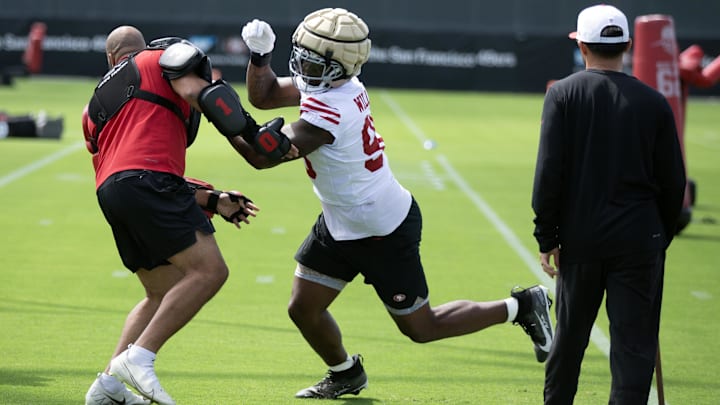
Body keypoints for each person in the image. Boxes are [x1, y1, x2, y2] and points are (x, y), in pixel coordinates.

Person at [234, 8, 555, 399]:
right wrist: (260, 56)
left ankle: (521, 306)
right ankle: (346, 373)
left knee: (422, 328)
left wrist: (216, 109)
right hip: (341, 221)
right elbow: (264, 96)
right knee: (303, 308)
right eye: (301, 54)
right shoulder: (338, 86)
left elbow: (260, 157)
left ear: (338, 68)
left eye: (314, 61)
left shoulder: (331, 109)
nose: (302, 66)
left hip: (380, 229)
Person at [82, 25, 294, 405]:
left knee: (158, 292)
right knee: (209, 271)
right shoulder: (157, 59)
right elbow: (207, 96)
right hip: (148, 182)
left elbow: (127, 170)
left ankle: (108, 386)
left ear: (111, 59)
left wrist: (212, 200)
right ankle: (139, 358)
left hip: (112, 193)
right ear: (138, 49)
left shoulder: (94, 106)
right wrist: (256, 133)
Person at [531, 5, 686, 404]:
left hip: (581, 240)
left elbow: (549, 173)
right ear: (628, 46)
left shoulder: (562, 94)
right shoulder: (654, 102)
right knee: (634, 350)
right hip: (639, 241)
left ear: (581, 45)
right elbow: (673, 182)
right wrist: (659, 237)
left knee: (569, 343)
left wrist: (547, 236)